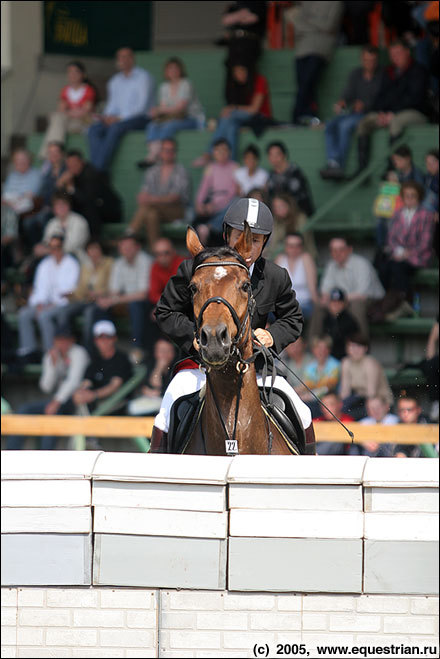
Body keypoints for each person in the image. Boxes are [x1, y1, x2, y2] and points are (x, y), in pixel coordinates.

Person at [152, 197, 315, 453]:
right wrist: (193, 337)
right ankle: (157, 472)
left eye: (256, 241)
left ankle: (308, 468)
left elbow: (292, 319)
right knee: (167, 409)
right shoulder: (196, 269)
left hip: (254, 368)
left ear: (265, 243)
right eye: (240, 237)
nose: (247, 248)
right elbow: (165, 311)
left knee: (302, 412)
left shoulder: (275, 276)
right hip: (203, 364)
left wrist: (272, 336)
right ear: (227, 234)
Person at [6, 326, 90, 450]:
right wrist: (54, 364)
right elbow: (46, 387)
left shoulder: (79, 353)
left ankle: (45, 462)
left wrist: (56, 402)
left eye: (66, 339)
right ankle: (9, 456)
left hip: (77, 402)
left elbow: (73, 382)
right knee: (25, 410)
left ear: (72, 340)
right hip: (58, 402)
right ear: (54, 341)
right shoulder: (51, 355)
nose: (63, 343)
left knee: (52, 417)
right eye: (59, 340)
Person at [355, 40, 429, 175]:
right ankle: (362, 169)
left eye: (398, 53)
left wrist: (393, 113)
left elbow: (414, 99)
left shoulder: (418, 70)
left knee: (396, 122)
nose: (395, 57)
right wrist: (381, 113)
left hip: (416, 113)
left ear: (407, 52)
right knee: (364, 122)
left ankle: (391, 167)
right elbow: (381, 97)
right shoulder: (389, 72)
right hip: (391, 113)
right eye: (392, 54)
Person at [320, 45, 383, 180]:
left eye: (372, 60)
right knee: (330, 124)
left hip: (371, 114)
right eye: (366, 60)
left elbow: (382, 99)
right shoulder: (356, 74)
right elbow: (348, 94)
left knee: (344, 126)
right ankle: (333, 162)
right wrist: (342, 102)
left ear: (377, 60)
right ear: (362, 59)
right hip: (353, 113)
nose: (369, 63)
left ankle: (339, 166)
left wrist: (365, 104)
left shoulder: (382, 75)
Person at [88, 47, 155, 172]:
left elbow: (141, 107)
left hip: (141, 118)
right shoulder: (114, 81)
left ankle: (96, 171)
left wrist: (118, 118)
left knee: (115, 128)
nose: (123, 60)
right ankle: (98, 169)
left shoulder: (144, 77)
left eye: (126, 57)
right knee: (94, 129)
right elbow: (112, 105)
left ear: (132, 59)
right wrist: (107, 117)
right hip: (118, 120)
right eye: (120, 57)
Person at [194, 61, 274, 164]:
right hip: (241, 118)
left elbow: (254, 109)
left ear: (248, 70)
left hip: (260, 117)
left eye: (242, 71)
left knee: (230, 115)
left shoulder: (259, 80)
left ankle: (208, 153)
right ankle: (231, 163)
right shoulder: (236, 85)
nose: (239, 75)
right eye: (236, 72)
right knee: (231, 126)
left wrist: (232, 108)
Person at [16, 234, 80, 362]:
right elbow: (39, 288)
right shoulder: (44, 264)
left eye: (57, 247)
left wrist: (50, 305)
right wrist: (39, 303)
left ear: (62, 247)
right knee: (23, 314)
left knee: (44, 315)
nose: (54, 250)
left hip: (64, 304)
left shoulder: (72, 264)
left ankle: (49, 353)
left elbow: (69, 292)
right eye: (51, 247)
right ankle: (28, 351)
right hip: (45, 303)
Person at [310, 237, 385, 338]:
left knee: (356, 306)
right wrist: (331, 301)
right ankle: (315, 346)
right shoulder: (331, 265)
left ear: (349, 250)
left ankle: (361, 346)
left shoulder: (361, 264)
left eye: (341, 249)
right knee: (320, 306)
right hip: (342, 300)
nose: (337, 253)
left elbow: (362, 294)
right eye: (334, 250)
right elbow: (325, 291)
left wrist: (338, 301)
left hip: (371, 300)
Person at [94, 233, 152, 363]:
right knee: (100, 308)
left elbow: (143, 294)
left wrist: (115, 299)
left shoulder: (145, 261)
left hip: (145, 303)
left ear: (137, 247)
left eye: (128, 247)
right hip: (125, 301)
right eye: (122, 247)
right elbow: (114, 291)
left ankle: (137, 349)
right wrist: (111, 300)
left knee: (135, 305)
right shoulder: (119, 263)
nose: (125, 250)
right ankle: (102, 348)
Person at [379, 181, 435, 308]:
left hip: (418, 256)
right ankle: (391, 299)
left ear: (418, 197)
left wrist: (407, 253)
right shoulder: (397, 213)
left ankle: (405, 301)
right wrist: (398, 251)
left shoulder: (426, 215)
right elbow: (391, 238)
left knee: (397, 267)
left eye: (412, 196)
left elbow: (425, 242)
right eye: (406, 196)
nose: (409, 199)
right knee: (384, 268)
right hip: (398, 255)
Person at [140, 57, 204, 166]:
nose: (173, 71)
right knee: (152, 125)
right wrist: (157, 111)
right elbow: (164, 108)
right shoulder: (163, 87)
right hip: (171, 118)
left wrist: (160, 110)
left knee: (170, 126)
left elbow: (181, 108)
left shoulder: (186, 84)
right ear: (166, 71)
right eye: (170, 69)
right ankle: (153, 155)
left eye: (176, 68)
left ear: (181, 70)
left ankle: (156, 156)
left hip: (190, 119)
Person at [128, 138, 191, 248]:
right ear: (161, 152)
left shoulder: (181, 171)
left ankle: (130, 234)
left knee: (148, 207)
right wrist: (149, 199)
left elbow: (174, 198)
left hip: (176, 211)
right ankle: (155, 251)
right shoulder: (152, 171)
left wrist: (151, 200)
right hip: (156, 210)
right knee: (151, 215)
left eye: (172, 150)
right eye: (166, 150)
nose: (169, 153)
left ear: (175, 153)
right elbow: (142, 196)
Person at [290, 1, 344, 125]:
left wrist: (308, 23)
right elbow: (298, 25)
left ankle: (296, 116)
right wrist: (317, 24)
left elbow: (329, 26)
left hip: (321, 47)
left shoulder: (336, 3)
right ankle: (310, 115)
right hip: (302, 48)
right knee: (303, 84)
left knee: (308, 82)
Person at [55, 239, 114, 348]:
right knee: (64, 311)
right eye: (90, 249)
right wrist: (71, 294)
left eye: (96, 249)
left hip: (102, 300)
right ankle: (68, 345)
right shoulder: (85, 267)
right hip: (86, 300)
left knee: (89, 312)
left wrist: (97, 293)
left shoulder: (109, 263)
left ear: (101, 250)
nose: (93, 252)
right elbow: (80, 290)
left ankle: (87, 347)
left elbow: (113, 287)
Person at [38, 61, 97, 159]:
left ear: (83, 75)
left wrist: (69, 112)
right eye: (70, 72)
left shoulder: (88, 90)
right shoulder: (65, 90)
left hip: (83, 123)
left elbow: (84, 112)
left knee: (56, 119)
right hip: (68, 123)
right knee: (56, 117)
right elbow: (61, 110)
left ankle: (49, 154)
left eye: (76, 72)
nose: (72, 75)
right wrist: (74, 111)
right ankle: (55, 151)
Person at [73, 320, 132, 415]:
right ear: (95, 341)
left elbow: (114, 386)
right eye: (100, 338)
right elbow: (86, 382)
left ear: (114, 338)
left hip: (117, 402)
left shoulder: (121, 358)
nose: (104, 341)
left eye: (108, 337)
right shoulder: (95, 359)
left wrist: (93, 395)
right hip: (96, 402)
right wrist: (80, 393)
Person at [56, 150, 122, 235]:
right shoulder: (71, 176)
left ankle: (93, 242)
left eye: (75, 164)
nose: (72, 167)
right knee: (62, 207)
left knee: (89, 209)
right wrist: (61, 185)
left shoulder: (91, 174)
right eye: (70, 165)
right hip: (92, 208)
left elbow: (87, 200)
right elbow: (65, 197)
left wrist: (71, 187)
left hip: (109, 210)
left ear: (82, 162)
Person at [193, 138, 238, 245]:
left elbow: (232, 192)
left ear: (229, 152)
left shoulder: (234, 167)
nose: (221, 153)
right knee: (195, 214)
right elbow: (203, 189)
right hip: (211, 203)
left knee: (236, 202)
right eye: (218, 150)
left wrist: (215, 206)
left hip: (225, 206)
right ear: (213, 152)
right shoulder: (211, 168)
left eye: (224, 150)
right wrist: (199, 204)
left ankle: (211, 226)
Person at [23, 141, 67, 248]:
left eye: (56, 152)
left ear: (62, 154)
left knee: (43, 218)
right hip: (45, 207)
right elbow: (43, 193)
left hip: (60, 208)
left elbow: (64, 194)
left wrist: (59, 181)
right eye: (50, 153)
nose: (53, 155)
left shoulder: (66, 170)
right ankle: (36, 249)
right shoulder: (47, 171)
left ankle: (47, 248)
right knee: (27, 222)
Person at [340, 334, 393, 420]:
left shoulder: (370, 363)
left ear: (365, 348)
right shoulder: (346, 362)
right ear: (347, 348)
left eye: (359, 346)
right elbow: (344, 392)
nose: (355, 350)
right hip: (359, 399)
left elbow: (371, 393)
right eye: (352, 346)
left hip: (379, 401)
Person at [145, 238, 185, 347]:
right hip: (168, 305)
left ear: (173, 252)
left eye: (166, 253)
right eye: (158, 254)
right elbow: (153, 294)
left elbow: (184, 295)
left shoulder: (182, 265)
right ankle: (154, 352)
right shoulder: (155, 267)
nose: (162, 257)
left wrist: (164, 307)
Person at [2, 149, 43, 250]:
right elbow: (5, 194)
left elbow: (32, 194)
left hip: (28, 208)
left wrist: (15, 198)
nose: (21, 162)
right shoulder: (12, 176)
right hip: (10, 204)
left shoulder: (36, 174)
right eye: (18, 160)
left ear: (29, 160)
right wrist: (15, 198)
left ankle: (9, 237)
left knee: (10, 210)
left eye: (23, 159)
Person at [34, 190, 90, 263]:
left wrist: (48, 250)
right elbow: (46, 242)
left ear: (69, 206)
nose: (61, 207)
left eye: (63, 204)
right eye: (57, 205)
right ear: (53, 208)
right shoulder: (52, 223)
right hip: (55, 260)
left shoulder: (79, 221)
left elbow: (71, 246)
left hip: (77, 259)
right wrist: (40, 248)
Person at [274, 232, 318, 319]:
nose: (294, 249)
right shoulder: (280, 259)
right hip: (283, 304)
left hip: (304, 303)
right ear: (285, 246)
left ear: (301, 247)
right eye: (290, 246)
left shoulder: (306, 259)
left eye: (297, 246)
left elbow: (312, 288)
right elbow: (275, 287)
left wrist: (318, 304)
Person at [128, 338, 176, 416]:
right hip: (149, 405)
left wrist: (159, 393)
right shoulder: (148, 365)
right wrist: (159, 368)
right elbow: (150, 386)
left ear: (173, 353)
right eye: (162, 351)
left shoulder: (177, 367)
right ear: (155, 352)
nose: (165, 354)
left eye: (168, 351)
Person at [266, 142, 315, 217]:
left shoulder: (295, 172)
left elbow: (300, 200)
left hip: (299, 214)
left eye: (277, 154)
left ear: (284, 155)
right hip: (279, 216)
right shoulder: (271, 175)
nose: (274, 158)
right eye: (271, 155)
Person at [299, 336, 341, 418]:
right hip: (315, 400)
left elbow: (328, 387)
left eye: (324, 348)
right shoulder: (310, 366)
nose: (321, 351)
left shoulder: (335, 365)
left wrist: (310, 396)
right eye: (318, 348)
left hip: (330, 399)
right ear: (313, 350)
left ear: (329, 350)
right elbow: (305, 386)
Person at [321, 288, 360, 360]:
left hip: (347, 357)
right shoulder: (326, 319)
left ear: (344, 304)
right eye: (333, 302)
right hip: (329, 358)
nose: (336, 305)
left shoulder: (350, 320)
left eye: (339, 302)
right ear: (329, 304)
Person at [314, 391, 354, 456]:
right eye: (324, 405)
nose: (326, 408)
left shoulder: (347, 420)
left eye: (331, 404)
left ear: (340, 405)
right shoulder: (318, 421)